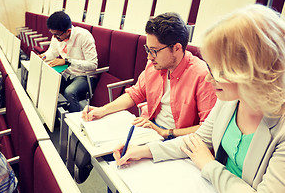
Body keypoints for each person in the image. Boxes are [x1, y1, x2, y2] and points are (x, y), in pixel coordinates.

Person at [113, 4, 285, 193]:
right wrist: (144, 150)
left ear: (250, 71)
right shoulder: (232, 97)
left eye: (217, 70)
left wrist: (209, 166)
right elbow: (197, 141)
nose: (209, 78)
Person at [82, 12, 217, 139]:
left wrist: (165, 132)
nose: (149, 57)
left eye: (154, 51)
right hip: (151, 128)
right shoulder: (154, 65)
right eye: (148, 49)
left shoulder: (202, 75)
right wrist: (103, 110)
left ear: (177, 48)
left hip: (178, 139)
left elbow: (207, 129)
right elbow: (135, 94)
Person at [39, 11, 98, 112]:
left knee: (69, 92)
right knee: (48, 82)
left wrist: (68, 61)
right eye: (53, 35)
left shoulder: (84, 36)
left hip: (84, 76)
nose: (55, 38)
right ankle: (53, 118)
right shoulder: (57, 36)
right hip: (66, 72)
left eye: (57, 35)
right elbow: (52, 52)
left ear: (68, 31)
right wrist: (44, 56)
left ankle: (73, 123)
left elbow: (93, 65)